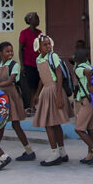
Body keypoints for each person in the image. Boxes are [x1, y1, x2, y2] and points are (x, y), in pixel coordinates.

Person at [32, 34, 75, 166]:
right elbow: (42, 77)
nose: (48, 46)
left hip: (54, 89)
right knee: (54, 123)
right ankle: (62, 152)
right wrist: (37, 93)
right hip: (46, 90)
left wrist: (58, 95)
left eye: (49, 44)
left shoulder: (53, 56)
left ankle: (55, 152)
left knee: (49, 123)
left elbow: (59, 74)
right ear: (39, 47)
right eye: (45, 45)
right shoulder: (39, 59)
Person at [0, 41, 36, 161]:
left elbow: (10, 81)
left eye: (11, 51)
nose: (10, 53)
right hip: (2, 98)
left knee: (15, 125)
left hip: (11, 96)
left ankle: (28, 150)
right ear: (1, 53)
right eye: (7, 51)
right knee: (1, 125)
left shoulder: (14, 65)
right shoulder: (0, 65)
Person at [18, 12, 42, 112]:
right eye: (36, 18)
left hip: (38, 62)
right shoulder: (24, 33)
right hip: (28, 63)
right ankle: (31, 105)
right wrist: (22, 65)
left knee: (38, 84)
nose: (38, 20)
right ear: (30, 21)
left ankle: (36, 104)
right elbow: (20, 50)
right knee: (31, 85)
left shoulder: (39, 33)